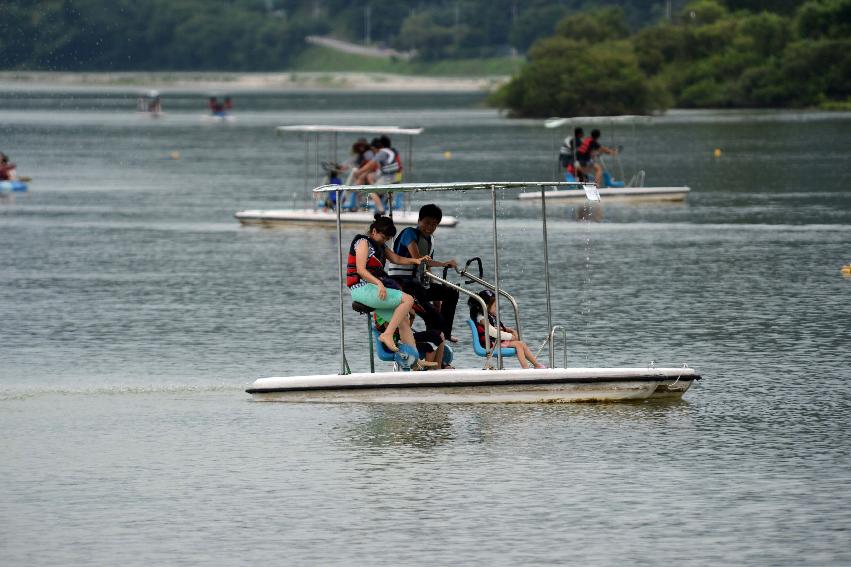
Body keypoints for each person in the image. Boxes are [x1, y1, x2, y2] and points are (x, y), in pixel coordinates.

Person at [347, 215, 433, 369]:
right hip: (361, 288)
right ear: (374, 231)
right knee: (408, 300)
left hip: (373, 289)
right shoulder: (362, 242)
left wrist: (416, 260)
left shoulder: (380, 246)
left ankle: (415, 361)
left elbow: (397, 259)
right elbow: (360, 269)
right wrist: (379, 283)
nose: (384, 240)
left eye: (387, 238)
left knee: (404, 321)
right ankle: (387, 335)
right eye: (383, 236)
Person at [385, 204, 459, 342]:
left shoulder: (431, 240)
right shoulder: (409, 233)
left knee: (451, 292)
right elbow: (418, 259)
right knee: (433, 316)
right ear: (419, 220)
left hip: (417, 285)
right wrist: (443, 264)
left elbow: (426, 270)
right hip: (401, 285)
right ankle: (434, 341)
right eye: (427, 223)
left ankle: (445, 334)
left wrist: (437, 300)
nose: (430, 227)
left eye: (434, 224)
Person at [469, 290, 546, 369]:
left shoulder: (487, 316)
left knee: (522, 344)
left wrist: (511, 331)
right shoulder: (482, 318)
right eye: (495, 306)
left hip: (495, 342)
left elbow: (494, 328)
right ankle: (526, 368)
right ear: (487, 306)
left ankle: (536, 365)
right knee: (519, 345)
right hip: (490, 345)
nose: (497, 308)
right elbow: (493, 332)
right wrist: (511, 337)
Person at [354, 136, 403, 213]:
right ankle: (379, 194)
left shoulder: (382, 153)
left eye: (373, 149)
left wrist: (359, 172)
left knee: (370, 190)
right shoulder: (392, 151)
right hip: (397, 177)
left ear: (375, 147)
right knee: (370, 176)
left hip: (389, 178)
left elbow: (371, 164)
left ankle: (381, 209)